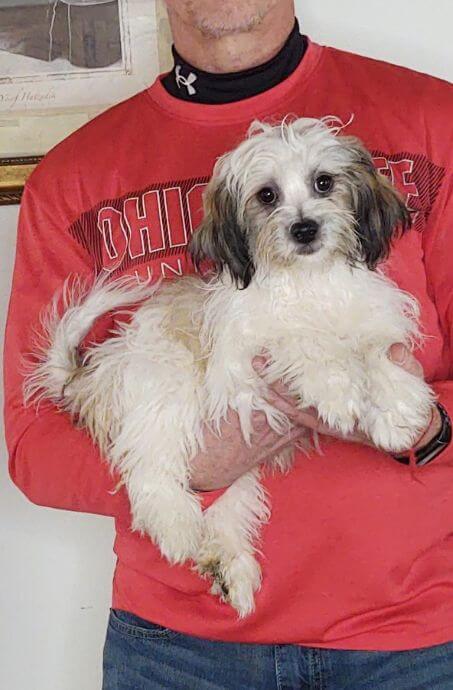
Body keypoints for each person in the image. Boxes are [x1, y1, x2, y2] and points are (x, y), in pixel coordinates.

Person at [4, 1, 453, 688]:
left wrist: (430, 428)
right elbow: (32, 442)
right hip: (176, 652)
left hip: (414, 640)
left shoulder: (433, 121)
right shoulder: (71, 178)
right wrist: (190, 470)